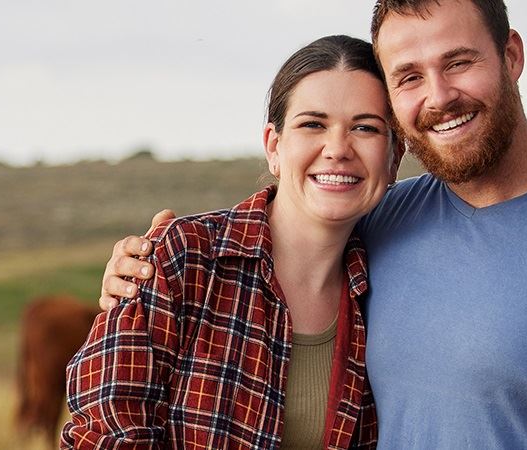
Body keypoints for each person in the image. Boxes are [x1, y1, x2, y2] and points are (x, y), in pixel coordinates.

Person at [96, 1, 527, 448]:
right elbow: (293, 211)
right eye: (408, 77)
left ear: (511, 54)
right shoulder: (380, 224)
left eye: (459, 62)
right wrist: (153, 264)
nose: (438, 95)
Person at [61, 35, 399, 450]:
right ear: (274, 147)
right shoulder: (181, 258)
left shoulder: (390, 285)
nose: (337, 149)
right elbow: (104, 435)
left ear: (394, 157)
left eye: (365, 128)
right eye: (313, 124)